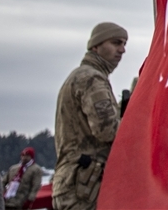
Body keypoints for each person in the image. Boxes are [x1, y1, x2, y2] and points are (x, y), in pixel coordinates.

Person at [52, 22, 127, 210]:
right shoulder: (91, 79)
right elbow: (107, 131)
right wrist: (138, 124)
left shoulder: (81, 76)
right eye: (116, 43)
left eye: (124, 44)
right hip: (85, 187)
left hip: (74, 182)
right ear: (96, 45)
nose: (122, 50)